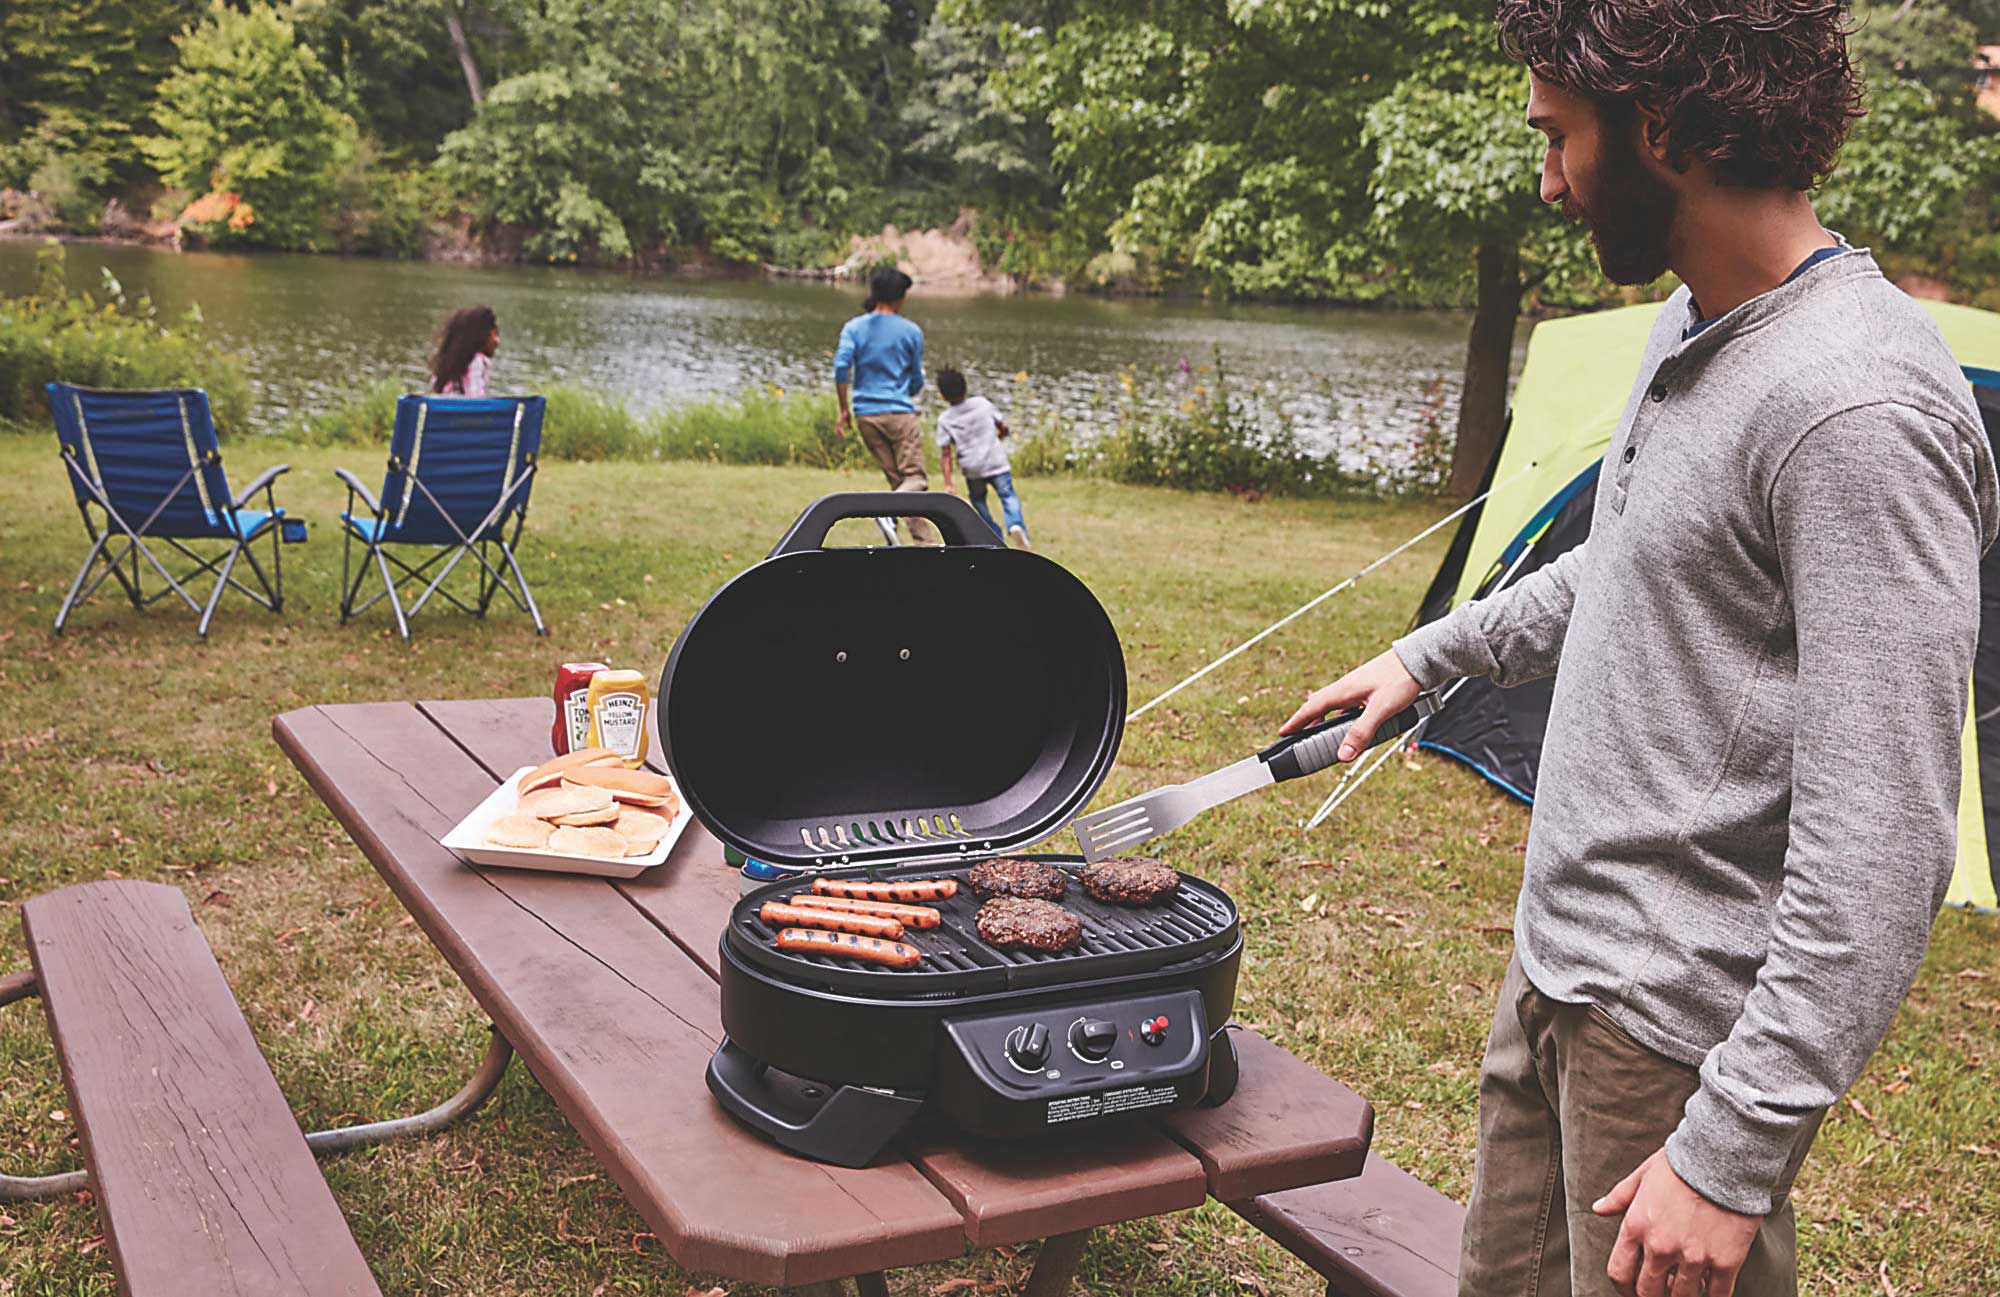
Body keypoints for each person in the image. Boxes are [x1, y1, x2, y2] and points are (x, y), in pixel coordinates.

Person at [1279, 5, 1996, 1297]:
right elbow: (1629, 556)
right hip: (1562, 970)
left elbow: (1884, 833)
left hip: (1675, 1040)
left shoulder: (1856, 408)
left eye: (1560, 137)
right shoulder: (1698, 321)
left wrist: (1732, 1149)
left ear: (1661, 124)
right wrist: (1430, 656)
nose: (1548, 180)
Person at [834, 267, 934, 543]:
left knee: (899, 482)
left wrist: (844, 409)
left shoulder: (853, 328)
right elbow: (915, 382)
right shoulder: (911, 332)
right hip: (899, 413)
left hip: (866, 416)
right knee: (916, 479)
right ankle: (887, 514)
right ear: (900, 298)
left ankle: (923, 543)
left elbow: (841, 368)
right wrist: (909, 386)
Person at [935, 367, 1030, 550]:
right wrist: (1002, 434)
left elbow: (946, 454)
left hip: (973, 469)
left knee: (979, 502)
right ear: (965, 387)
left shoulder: (945, 419)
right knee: (1008, 496)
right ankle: (1015, 525)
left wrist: (948, 483)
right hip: (996, 462)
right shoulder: (982, 403)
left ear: (943, 395)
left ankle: (994, 535)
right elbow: (1003, 427)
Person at [431, 305, 498, 397]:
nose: (497, 341)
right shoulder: (476, 361)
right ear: (482, 336)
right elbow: (475, 401)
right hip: (464, 410)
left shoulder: (445, 365)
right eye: (494, 334)